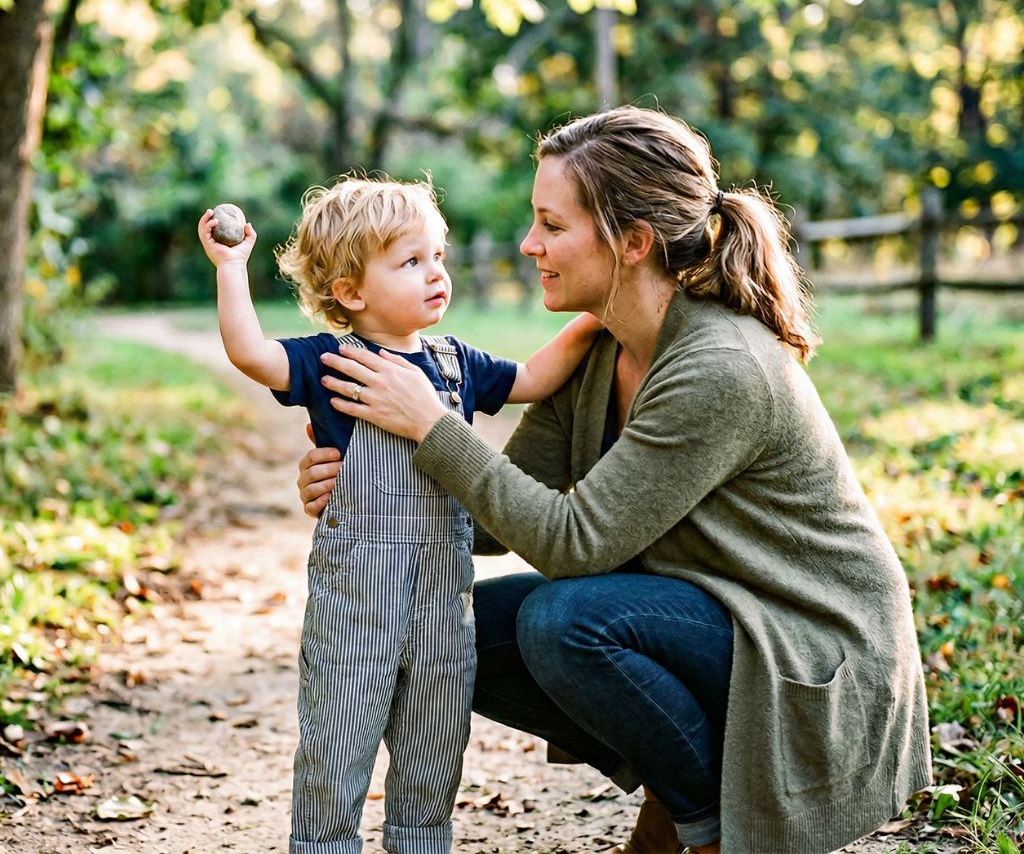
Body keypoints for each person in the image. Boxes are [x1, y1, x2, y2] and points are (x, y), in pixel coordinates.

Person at [295, 107, 932, 854]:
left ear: (633, 242)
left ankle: (708, 834)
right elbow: (498, 521)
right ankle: (682, 793)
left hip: (809, 649)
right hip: (715, 613)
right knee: (463, 632)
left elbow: (573, 545)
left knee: (565, 622)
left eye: (552, 225)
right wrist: (370, 483)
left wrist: (433, 428)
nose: (529, 244)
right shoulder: (604, 350)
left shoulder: (720, 366)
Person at [197, 176, 599, 854]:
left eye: (438, 256)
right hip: (357, 602)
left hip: (443, 598)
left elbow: (532, 379)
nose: (436, 273)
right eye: (411, 261)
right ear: (351, 292)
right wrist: (231, 268)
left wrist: (593, 319)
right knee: (338, 740)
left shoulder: (456, 363)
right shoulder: (328, 361)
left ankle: (421, 840)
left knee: (435, 739)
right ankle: (324, 844)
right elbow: (250, 354)